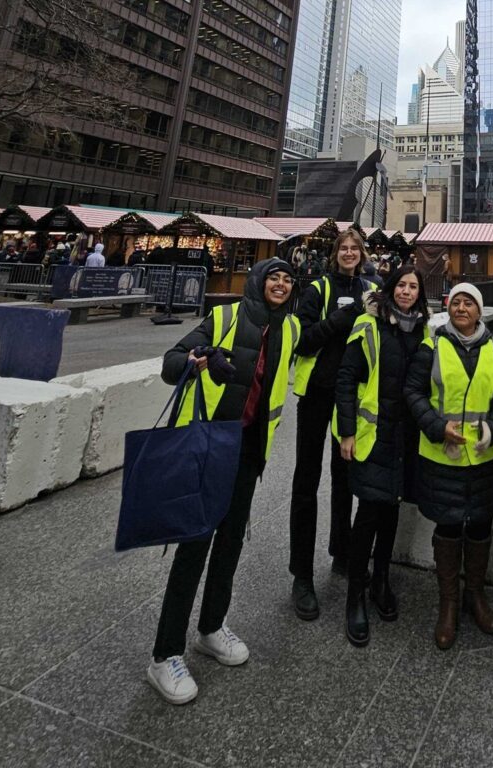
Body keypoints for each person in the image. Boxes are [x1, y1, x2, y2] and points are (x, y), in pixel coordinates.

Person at [148, 258, 300, 705]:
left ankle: (211, 628)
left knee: (231, 542)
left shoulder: (289, 329)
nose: (281, 284)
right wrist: (201, 361)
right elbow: (170, 362)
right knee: (194, 545)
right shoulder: (224, 317)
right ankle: (164, 654)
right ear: (258, 282)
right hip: (209, 445)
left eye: (288, 280)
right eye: (274, 277)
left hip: (250, 452)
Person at [405, 283, 493, 649]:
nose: (461, 308)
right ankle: (448, 603)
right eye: (456, 302)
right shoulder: (432, 346)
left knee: (481, 522)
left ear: (480, 311)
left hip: (483, 456)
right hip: (442, 456)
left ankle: (475, 595)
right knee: (449, 525)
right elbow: (413, 392)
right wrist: (437, 428)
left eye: (469, 303)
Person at [335, 265, 429, 646]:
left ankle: (382, 582)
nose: (406, 292)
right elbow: (346, 378)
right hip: (373, 437)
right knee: (369, 514)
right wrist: (346, 431)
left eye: (413, 287)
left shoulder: (425, 332)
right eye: (401, 285)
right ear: (390, 289)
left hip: (405, 439)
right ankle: (355, 595)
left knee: (391, 511)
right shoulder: (369, 325)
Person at [288, 229, 375, 620]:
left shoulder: (373, 289)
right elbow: (302, 342)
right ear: (334, 254)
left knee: (346, 478)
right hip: (317, 393)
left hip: (352, 397)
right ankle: (301, 575)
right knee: (306, 482)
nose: (350, 253)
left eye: (355, 248)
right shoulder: (317, 290)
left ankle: (342, 552)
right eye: (344, 248)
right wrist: (342, 317)